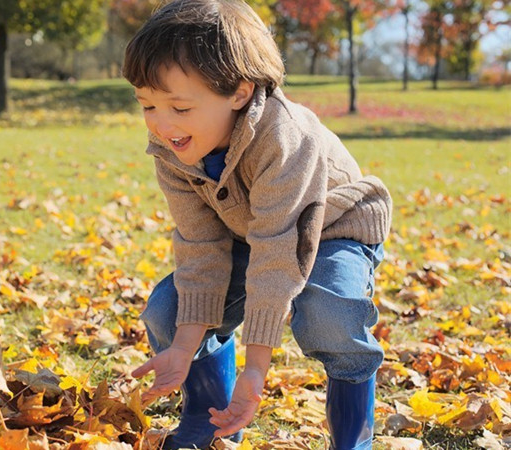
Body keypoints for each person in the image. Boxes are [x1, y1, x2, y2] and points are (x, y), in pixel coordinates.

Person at [122, 1, 392, 449]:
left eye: (180, 108)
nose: (161, 123)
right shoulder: (171, 147)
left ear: (239, 92)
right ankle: (209, 421)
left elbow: (280, 245)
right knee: (169, 310)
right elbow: (201, 244)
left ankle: (353, 438)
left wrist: (256, 368)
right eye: (147, 105)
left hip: (333, 229)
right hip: (251, 235)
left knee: (329, 313)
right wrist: (184, 344)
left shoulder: (285, 138)